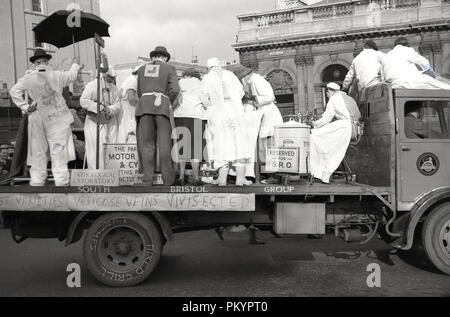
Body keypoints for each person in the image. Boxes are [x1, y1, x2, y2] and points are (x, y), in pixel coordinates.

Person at [10, 49, 81, 187]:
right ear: (47, 62)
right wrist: (75, 64)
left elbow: (14, 91)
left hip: (37, 113)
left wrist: (25, 106)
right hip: (56, 115)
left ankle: (37, 180)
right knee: (58, 148)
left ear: (35, 64)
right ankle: (61, 180)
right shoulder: (57, 75)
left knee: (38, 148)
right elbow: (72, 75)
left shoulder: (29, 77)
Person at [200, 58, 249, 187]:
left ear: (209, 67)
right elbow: (241, 92)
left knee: (221, 143)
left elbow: (204, 98)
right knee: (238, 142)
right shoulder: (230, 74)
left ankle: (222, 180)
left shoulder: (207, 78)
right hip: (235, 111)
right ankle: (240, 179)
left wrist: (211, 106)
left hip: (218, 113)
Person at [231, 65, 283, 183]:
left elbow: (270, 96)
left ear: (244, 76)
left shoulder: (256, 79)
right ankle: (267, 174)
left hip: (269, 113)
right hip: (262, 113)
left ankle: (274, 176)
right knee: (264, 146)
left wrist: (252, 98)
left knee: (269, 145)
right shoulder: (253, 80)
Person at [135, 46, 180, 186]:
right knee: (165, 144)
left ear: (153, 57)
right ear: (165, 58)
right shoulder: (169, 68)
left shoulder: (142, 69)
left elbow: (139, 91)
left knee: (146, 145)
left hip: (144, 108)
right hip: (162, 108)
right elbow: (175, 89)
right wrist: (167, 100)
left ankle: (147, 179)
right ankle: (168, 180)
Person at [310, 83, 360, 184]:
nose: (327, 95)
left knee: (315, 136)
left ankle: (319, 171)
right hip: (354, 128)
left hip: (344, 127)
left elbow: (326, 118)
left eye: (327, 92)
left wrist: (315, 124)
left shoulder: (333, 99)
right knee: (328, 140)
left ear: (330, 91)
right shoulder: (349, 98)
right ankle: (325, 171)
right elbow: (358, 114)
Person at [80, 68, 120, 169]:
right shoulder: (92, 85)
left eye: (112, 79)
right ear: (103, 76)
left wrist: (110, 109)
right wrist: (100, 108)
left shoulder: (114, 89)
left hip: (110, 122)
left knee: (110, 146)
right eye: (108, 79)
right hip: (94, 122)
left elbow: (118, 104)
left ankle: (110, 173)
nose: (110, 82)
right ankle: (95, 173)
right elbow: (83, 101)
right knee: (95, 148)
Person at [173, 68, 206, 185]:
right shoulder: (200, 83)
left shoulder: (180, 82)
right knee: (195, 148)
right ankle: (196, 177)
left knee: (182, 148)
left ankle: (181, 176)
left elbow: (174, 98)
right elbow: (205, 99)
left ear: (185, 75)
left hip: (180, 116)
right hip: (196, 115)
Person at [382, 37, 450, 89]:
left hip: (393, 84)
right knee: (444, 86)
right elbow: (424, 62)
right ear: (407, 44)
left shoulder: (387, 55)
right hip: (409, 81)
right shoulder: (407, 50)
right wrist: (431, 74)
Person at [117, 65, 140, 144]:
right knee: (128, 131)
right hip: (128, 110)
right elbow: (131, 98)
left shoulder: (130, 79)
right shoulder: (133, 80)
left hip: (128, 109)